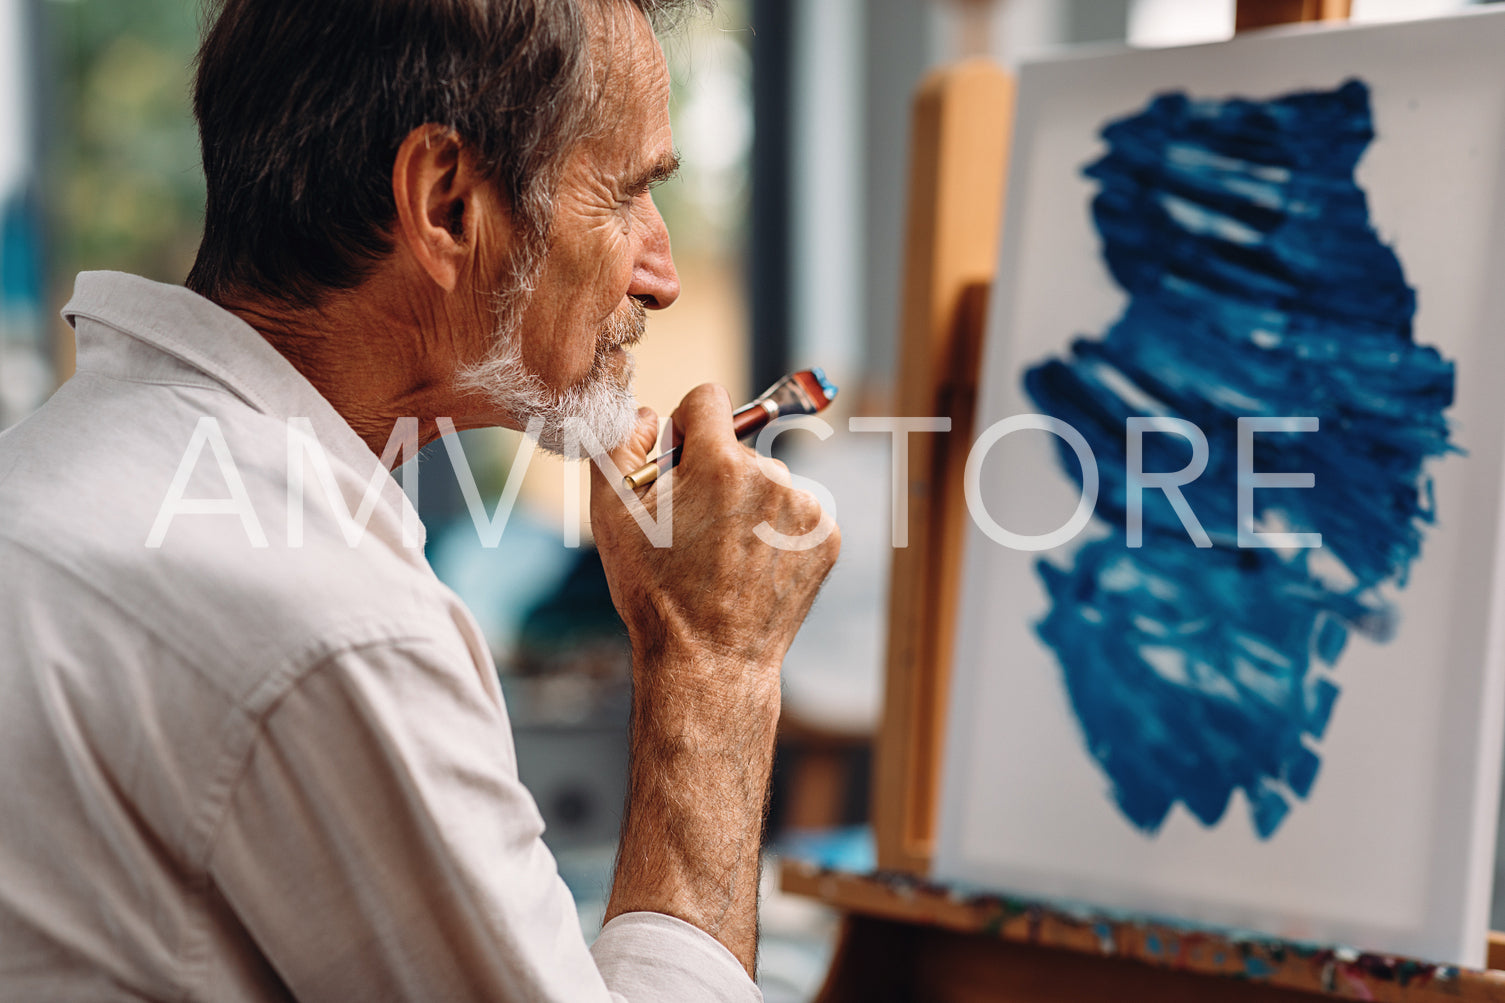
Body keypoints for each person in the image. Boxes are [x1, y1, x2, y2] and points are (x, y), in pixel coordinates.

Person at [0, 0, 838, 999]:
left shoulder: (73, 463)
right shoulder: (327, 618)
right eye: (627, 196)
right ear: (446, 206)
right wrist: (712, 658)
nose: (659, 275)